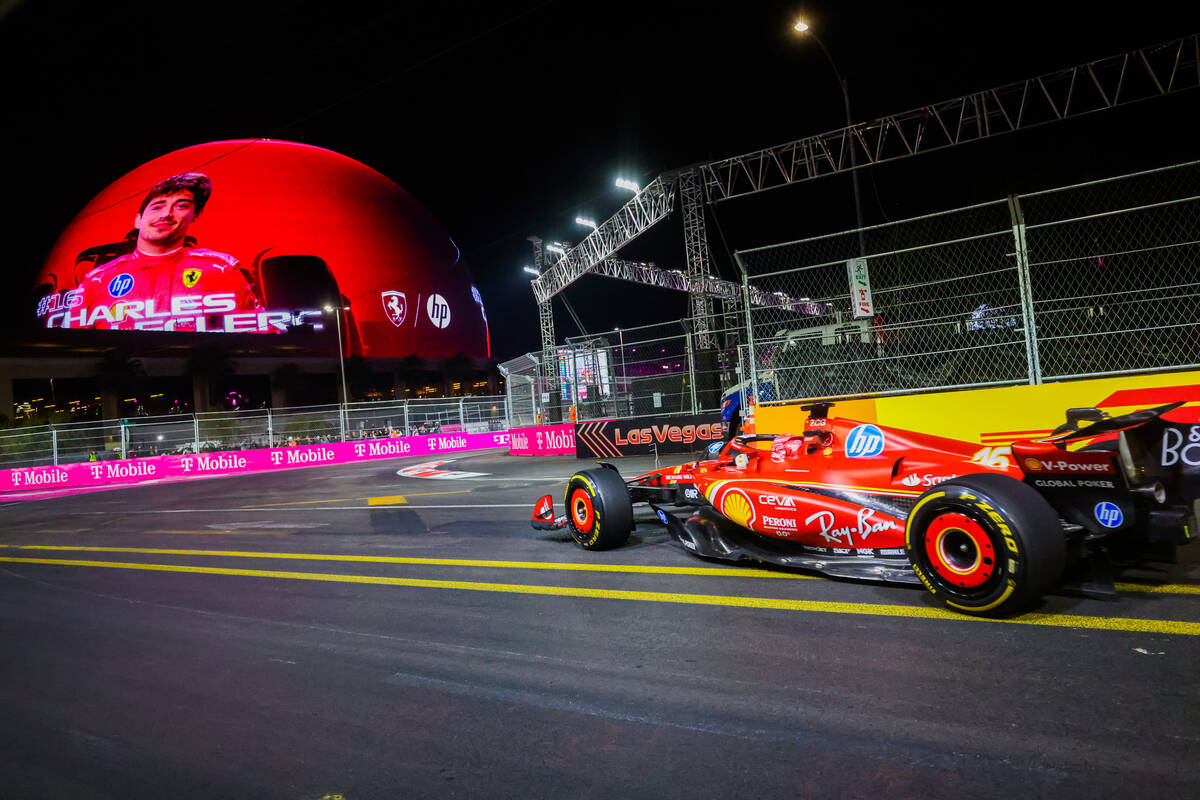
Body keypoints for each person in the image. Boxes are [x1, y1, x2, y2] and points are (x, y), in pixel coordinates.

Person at [69, 173, 263, 332]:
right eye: (157, 206)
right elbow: (70, 346)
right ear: (138, 220)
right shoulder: (97, 281)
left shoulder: (220, 270)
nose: (166, 214)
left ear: (194, 216)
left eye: (181, 206)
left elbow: (262, 333)